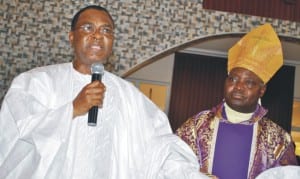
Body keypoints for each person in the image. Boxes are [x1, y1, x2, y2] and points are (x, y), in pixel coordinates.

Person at [0, 5, 210, 179]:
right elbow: (17, 134)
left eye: (106, 30)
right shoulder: (35, 82)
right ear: (71, 37)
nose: (98, 36)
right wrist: (72, 109)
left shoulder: (130, 97)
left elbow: (161, 148)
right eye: (88, 28)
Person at [176, 23, 298, 179]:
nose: (238, 87)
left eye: (248, 82)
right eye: (233, 79)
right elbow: (173, 165)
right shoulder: (196, 126)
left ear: (261, 90)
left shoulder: (278, 138)